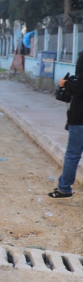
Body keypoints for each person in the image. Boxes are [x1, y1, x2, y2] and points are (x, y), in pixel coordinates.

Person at [49, 51, 83, 199]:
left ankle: (64, 189)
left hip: (80, 118)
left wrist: (66, 83)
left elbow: (80, 89)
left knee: (72, 155)